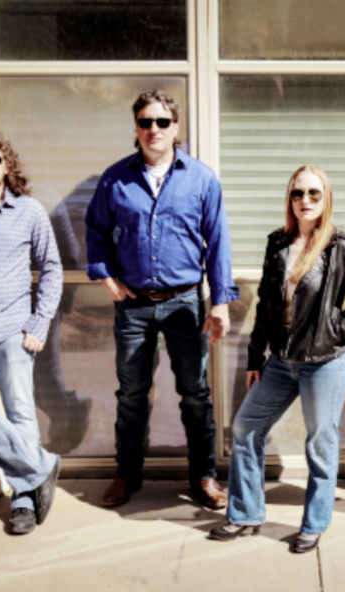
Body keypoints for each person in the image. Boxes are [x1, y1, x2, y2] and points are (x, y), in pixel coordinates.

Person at [210, 165, 345, 553]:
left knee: (320, 441)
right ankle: (246, 513)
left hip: (326, 363)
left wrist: (334, 330)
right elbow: (266, 306)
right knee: (245, 428)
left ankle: (314, 525)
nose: (305, 200)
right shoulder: (277, 243)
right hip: (282, 362)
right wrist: (256, 357)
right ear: (289, 199)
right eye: (298, 193)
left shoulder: (341, 246)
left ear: (326, 198)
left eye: (314, 193)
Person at [86, 90, 239, 509]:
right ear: (136, 127)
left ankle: (204, 476)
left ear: (176, 127)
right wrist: (107, 279)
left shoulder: (201, 179)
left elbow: (218, 243)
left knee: (195, 394)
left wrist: (220, 302)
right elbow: (96, 233)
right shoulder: (115, 179)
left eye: (162, 122)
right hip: (133, 306)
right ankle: (126, 474)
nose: (153, 129)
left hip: (185, 303)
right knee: (131, 393)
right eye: (145, 122)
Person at [0, 131, 62, 535]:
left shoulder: (28, 211)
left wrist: (38, 323)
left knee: (20, 412)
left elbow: (52, 269)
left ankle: (23, 499)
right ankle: (40, 465)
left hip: (12, 329)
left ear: (7, 165)